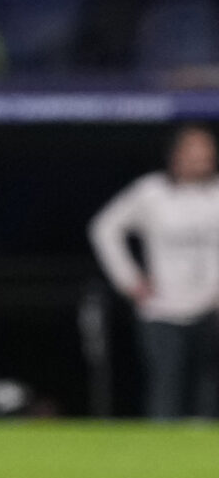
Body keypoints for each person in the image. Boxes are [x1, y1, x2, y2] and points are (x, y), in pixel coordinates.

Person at [88, 126, 219, 419]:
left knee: (209, 392)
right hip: (162, 309)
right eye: (194, 154)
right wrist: (129, 280)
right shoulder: (151, 192)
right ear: (176, 155)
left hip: (211, 309)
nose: (201, 161)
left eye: (206, 154)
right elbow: (104, 228)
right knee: (166, 387)